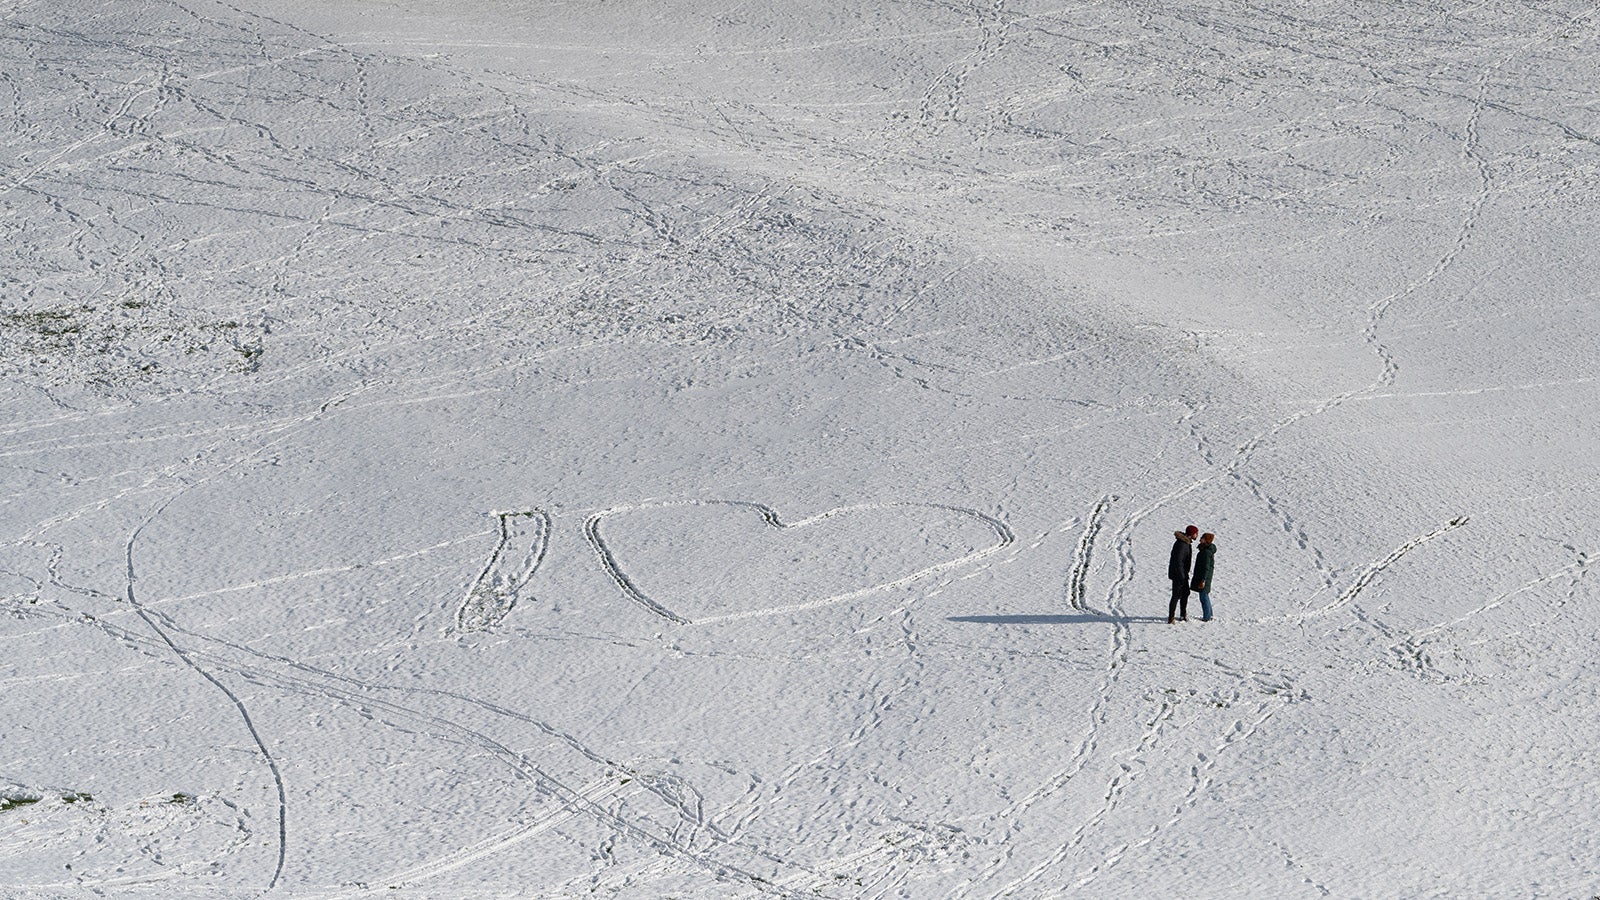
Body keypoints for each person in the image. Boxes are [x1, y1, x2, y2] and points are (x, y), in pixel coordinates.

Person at [1168, 525, 1197, 624]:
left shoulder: (1186, 543)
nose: (1197, 535)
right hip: (1179, 575)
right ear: (1192, 534)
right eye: (1196, 533)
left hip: (1182, 574)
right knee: (1176, 595)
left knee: (1185, 593)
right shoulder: (1182, 544)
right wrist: (1181, 576)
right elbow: (1178, 561)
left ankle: (1183, 614)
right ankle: (1171, 617)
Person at [1191, 532, 1216, 622]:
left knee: (1203, 597)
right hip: (1203, 577)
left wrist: (1203, 580)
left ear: (1206, 540)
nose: (1200, 539)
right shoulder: (1205, 551)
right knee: (1205, 596)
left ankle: (1207, 617)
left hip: (1204, 578)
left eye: (1202, 538)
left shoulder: (1206, 552)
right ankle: (1209, 615)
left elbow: (1206, 567)